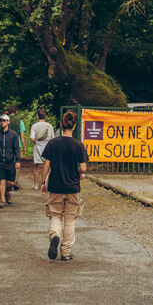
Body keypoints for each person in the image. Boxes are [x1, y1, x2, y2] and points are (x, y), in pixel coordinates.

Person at [40, 111, 87, 262]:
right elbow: (83, 168)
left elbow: (46, 164)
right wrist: (80, 173)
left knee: (55, 215)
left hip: (56, 186)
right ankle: (66, 252)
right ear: (74, 126)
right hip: (73, 187)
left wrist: (43, 182)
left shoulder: (53, 143)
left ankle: (55, 235)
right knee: (70, 219)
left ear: (61, 124)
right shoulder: (78, 145)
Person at [0, 114, 20, 207]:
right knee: (1, 181)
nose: (2, 123)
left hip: (10, 161)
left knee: (11, 182)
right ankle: (2, 200)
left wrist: (17, 160)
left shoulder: (13, 134)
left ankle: (7, 192)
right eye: (1, 121)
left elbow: (16, 148)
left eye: (4, 121)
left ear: (8, 122)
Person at [30, 109, 55, 190]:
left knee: (36, 166)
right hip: (47, 146)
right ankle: (45, 183)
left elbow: (32, 138)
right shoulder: (49, 126)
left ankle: (36, 184)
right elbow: (52, 138)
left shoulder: (34, 126)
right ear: (46, 116)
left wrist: (37, 140)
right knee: (46, 165)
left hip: (37, 146)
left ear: (37, 116)